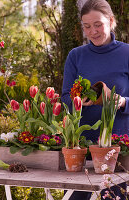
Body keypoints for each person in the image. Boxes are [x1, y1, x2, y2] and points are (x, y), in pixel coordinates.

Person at [61, 0, 129, 199]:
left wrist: (123, 102)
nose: (92, 31)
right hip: (81, 148)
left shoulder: (126, 53)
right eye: (87, 26)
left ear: (111, 20)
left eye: (98, 24)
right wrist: (78, 101)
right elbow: (65, 97)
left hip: (119, 149)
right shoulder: (76, 56)